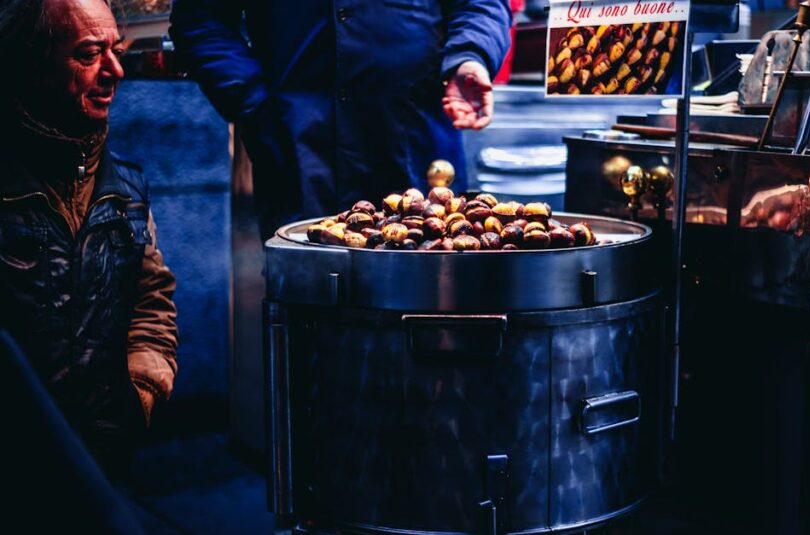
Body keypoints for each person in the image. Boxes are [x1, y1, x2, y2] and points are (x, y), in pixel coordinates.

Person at [0, 0, 178, 474]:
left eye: (115, 50)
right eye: (89, 53)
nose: (115, 70)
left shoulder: (126, 189)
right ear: (32, 62)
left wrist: (141, 392)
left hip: (104, 463)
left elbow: (152, 299)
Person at [170, 0, 512, 238]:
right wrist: (257, 106)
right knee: (317, 318)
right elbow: (200, 20)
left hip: (419, 147)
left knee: (434, 310)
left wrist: (471, 55)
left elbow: (480, 4)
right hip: (300, 155)